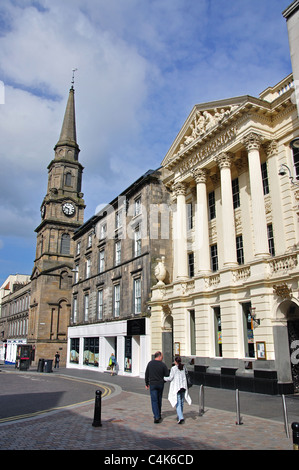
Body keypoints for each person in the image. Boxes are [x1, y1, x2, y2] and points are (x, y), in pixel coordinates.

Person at [164, 356, 192, 424]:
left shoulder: (174, 368)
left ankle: (181, 417)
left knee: (178, 402)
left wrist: (164, 378)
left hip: (177, 387)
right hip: (183, 387)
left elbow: (170, 378)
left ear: (175, 361)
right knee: (181, 402)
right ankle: (180, 415)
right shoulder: (184, 367)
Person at [145, 351, 169, 423]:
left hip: (152, 384)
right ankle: (158, 414)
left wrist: (147, 383)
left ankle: (156, 416)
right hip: (160, 384)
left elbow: (147, 374)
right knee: (159, 399)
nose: (162, 357)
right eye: (162, 356)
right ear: (159, 356)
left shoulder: (150, 363)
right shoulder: (163, 365)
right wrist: (163, 381)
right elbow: (167, 375)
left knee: (154, 400)